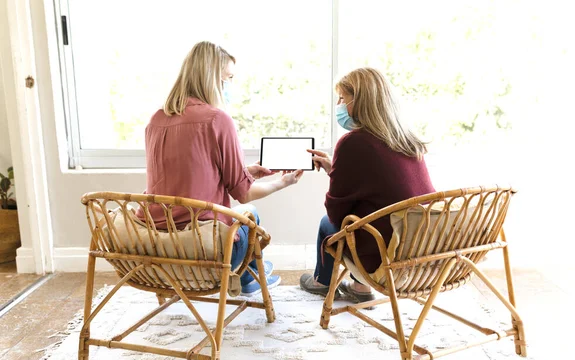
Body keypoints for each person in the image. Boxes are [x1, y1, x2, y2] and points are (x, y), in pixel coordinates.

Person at [138, 41, 303, 295]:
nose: (229, 86)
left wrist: (244, 170)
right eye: (228, 78)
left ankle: (250, 276)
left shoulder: (156, 119)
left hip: (161, 245)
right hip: (204, 250)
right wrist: (284, 182)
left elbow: (183, 173)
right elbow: (244, 194)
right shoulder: (217, 119)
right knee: (251, 214)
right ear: (212, 79)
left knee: (239, 216)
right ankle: (249, 278)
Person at [299, 67, 435, 303]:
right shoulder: (407, 139)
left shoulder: (354, 142)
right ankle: (360, 290)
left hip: (383, 254)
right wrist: (337, 170)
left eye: (342, 98)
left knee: (328, 224)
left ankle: (322, 282)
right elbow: (385, 186)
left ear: (360, 101)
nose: (339, 105)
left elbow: (336, 212)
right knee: (371, 215)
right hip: (420, 247)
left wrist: (337, 177)